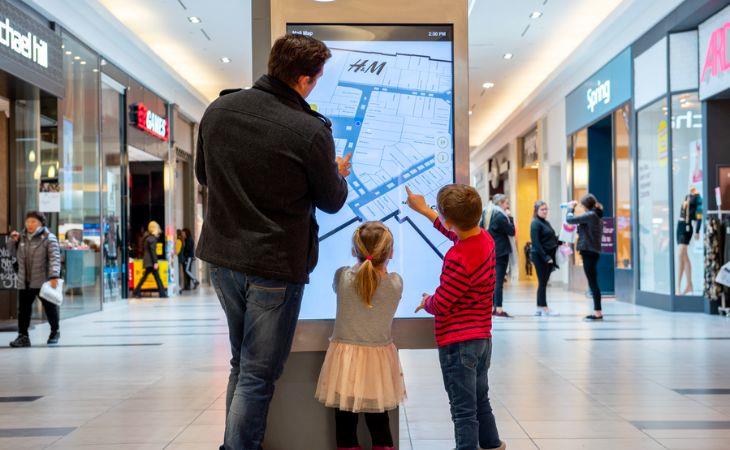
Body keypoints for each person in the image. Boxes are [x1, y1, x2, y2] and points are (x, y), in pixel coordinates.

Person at [195, 34, 351, 449]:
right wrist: (337, 172)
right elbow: (332, 200)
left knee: (241, 364)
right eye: (316, 78)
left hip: (223, 258)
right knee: (257, 374)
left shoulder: (219, 110)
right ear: (304, 79)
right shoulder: (309, 130)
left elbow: (203, 176)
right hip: (274, 266)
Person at [407, 185, 505, 450]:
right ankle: (492, 444)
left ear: (450, 221)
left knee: (462, 410)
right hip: (482, 339)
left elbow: (442, 304)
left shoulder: (458, 257)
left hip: (458, 344)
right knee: (480, 399)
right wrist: (426, 211)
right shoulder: (484, 239)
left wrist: (427, 301)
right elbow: (454, 233)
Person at [315, 221, 405, 450]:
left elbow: (357, 283)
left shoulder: (342, 277)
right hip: (379, 362)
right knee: (379, 421)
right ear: (390, 252)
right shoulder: (395, 283)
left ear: (354, 250)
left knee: (344, 423)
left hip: (344, 360)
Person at [8, 211, 62, 347]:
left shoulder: (49, 238)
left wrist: (54, 276)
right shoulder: (21, 238)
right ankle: (23, 336)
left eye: (33, 222)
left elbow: (55, 258)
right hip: (25, 281)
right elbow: (11, 254)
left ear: (40, 224)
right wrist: (11, 241)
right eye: (28, 222)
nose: (30, 224)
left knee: (49, 308)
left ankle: (55, 331)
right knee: (23, 310)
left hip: (42, 281)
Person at [566, 194, 604, 321]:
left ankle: (598, 312)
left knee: (593, 282)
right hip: (592, 251)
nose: (581, 207)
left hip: (589, 251)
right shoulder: (595, 214)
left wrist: (570, 208)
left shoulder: (591, 215)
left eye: (582, 205)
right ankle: (597, 311)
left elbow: (569, 220)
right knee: (592, 281)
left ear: (586, 205)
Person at [482, 193, 515, 318]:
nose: (507, 205)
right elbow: (511, 231)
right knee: (499, 281)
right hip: (501, 252)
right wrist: (510, 217)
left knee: (492, 280)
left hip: (489, 250)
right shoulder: (501, 216)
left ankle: (492, 307)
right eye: (506, 203)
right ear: (501, 203)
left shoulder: (486, 213)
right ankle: (499, 309)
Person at [530, 201, 559, 316]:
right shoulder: (535, 224)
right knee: (543, 282)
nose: (545, 211)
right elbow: (536, 243)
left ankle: (539, 307)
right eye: (542, 209)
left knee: (543, 283)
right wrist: (546, 257)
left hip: (547, 256)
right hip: (540, 256)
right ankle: (544, 308)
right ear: (536, 210)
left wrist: (561, 242)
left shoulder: (546, 223)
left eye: (546, 209)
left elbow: (552, 238)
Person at [676, 186, 702, 295]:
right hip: (680, 225)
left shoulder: (698, 198)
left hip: (687, 227)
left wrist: (697, 231)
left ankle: (677, 286)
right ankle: (689, 285)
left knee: (680, 254)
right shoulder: (687, 196)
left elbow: (699, 215)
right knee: (684, 256)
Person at [132, 221, 167, 298]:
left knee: (146, 277)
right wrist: (155, 262)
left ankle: (136, 291)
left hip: (147, 261)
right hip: (151, 262)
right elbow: (153, 251)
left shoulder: (147, 238)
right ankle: (162, 293)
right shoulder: (152, 239)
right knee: (157, 278)